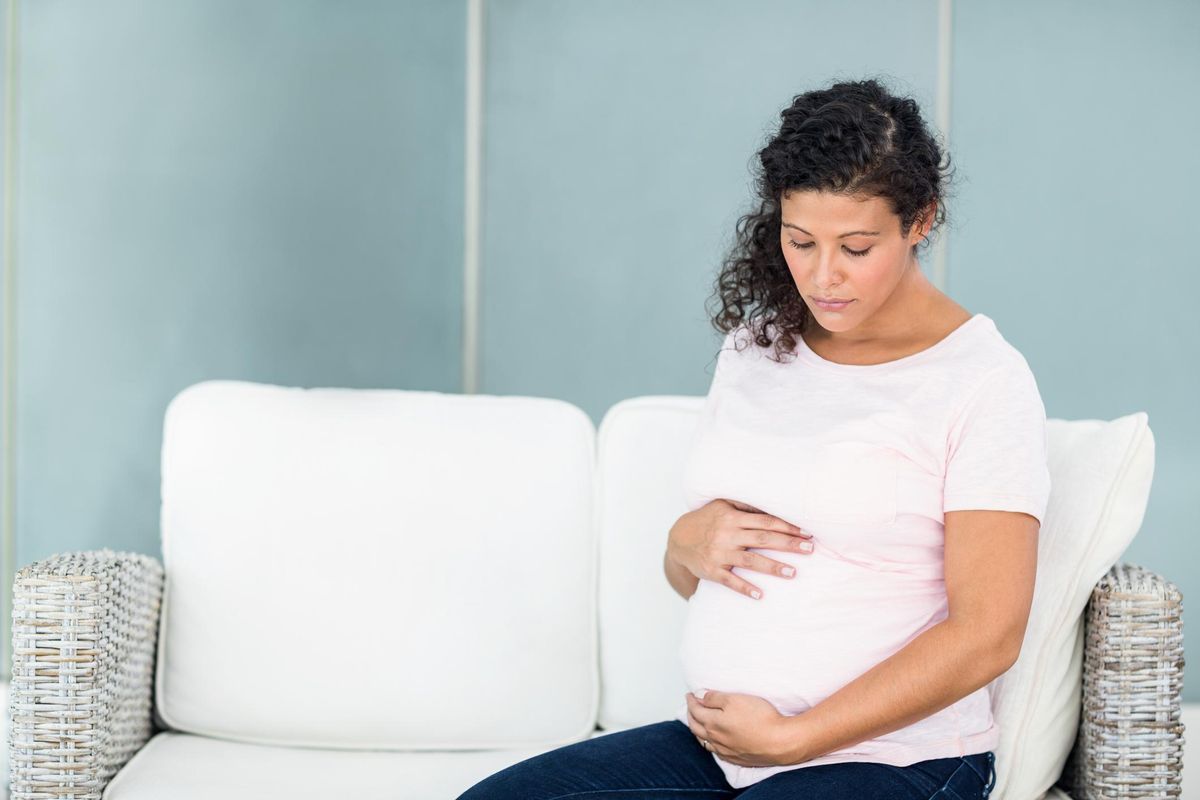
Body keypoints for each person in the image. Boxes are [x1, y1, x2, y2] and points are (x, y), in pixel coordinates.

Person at [458, 75, 1049, 800]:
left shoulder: (981, 379)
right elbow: (704, 570)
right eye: (800, 241)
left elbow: (988, 632)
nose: (822, 276)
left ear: (920, 220)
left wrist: (796, 737)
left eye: (856, 248)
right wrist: (682, 545)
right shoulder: (756, 349)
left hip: (896, 759)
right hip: (723, 750)